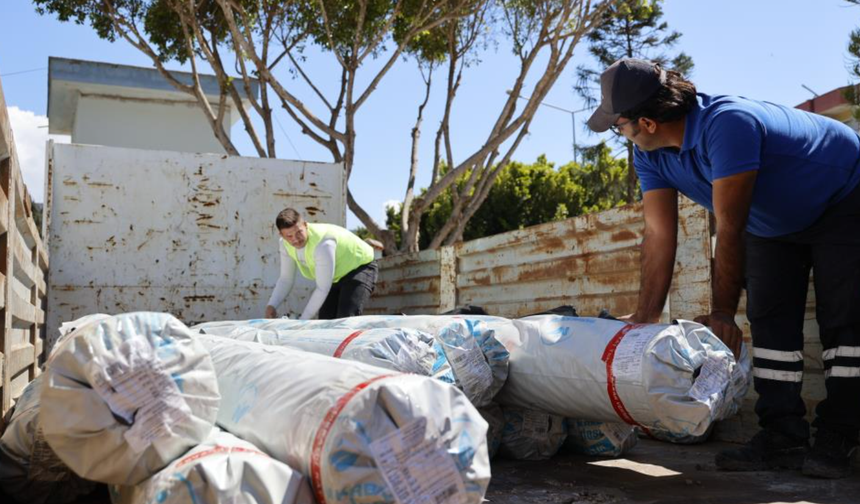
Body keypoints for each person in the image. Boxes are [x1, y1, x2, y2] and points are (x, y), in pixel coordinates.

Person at [586, 58, 860, 479]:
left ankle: (840, 435)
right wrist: (644, 316)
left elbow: (728, 228)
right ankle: (782, 435)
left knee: (843, 320)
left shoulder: (727, 125)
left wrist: (720, 313)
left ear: (647, 122)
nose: (620, 135)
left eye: (619, 125)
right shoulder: (651, 158)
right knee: (769, 321)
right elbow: (659, 234)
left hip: (843, 193)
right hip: (772, 221)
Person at [265, 208, 378, 320]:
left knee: (345, 320)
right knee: (325, 321)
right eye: (289, 236)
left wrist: (302, 322)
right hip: (336, 276)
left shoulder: (323, 244)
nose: (296, 239)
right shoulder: (284, 244)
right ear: (281, 235)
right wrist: (272, 305)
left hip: (360, 267)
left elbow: (322, 288)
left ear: (305, 225)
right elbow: (286, 279)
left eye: (299, 232)